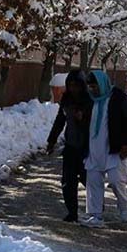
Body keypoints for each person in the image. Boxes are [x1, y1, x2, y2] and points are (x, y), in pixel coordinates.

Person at [81, 70, 127, 228]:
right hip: (93, 148)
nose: (93, 90)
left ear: (103, 83)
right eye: (90, 87)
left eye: (95, 86)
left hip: (113, 148)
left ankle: (124, 206)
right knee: (93, 182)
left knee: (115, 181)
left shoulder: (118, 97)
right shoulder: (90, 99)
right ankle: (95, 215)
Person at [46, 70, 91, 222]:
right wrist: (51, 141)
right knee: (68, 182)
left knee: (89, 180)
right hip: (71, 146)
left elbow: (96, 123)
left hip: (87, 147)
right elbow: (60, 121)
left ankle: (96, 205)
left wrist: (83, 118)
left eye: (76, 85)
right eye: (70, 85)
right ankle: (72, 211)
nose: (73, 89)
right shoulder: (66, 100)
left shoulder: (90, 100)